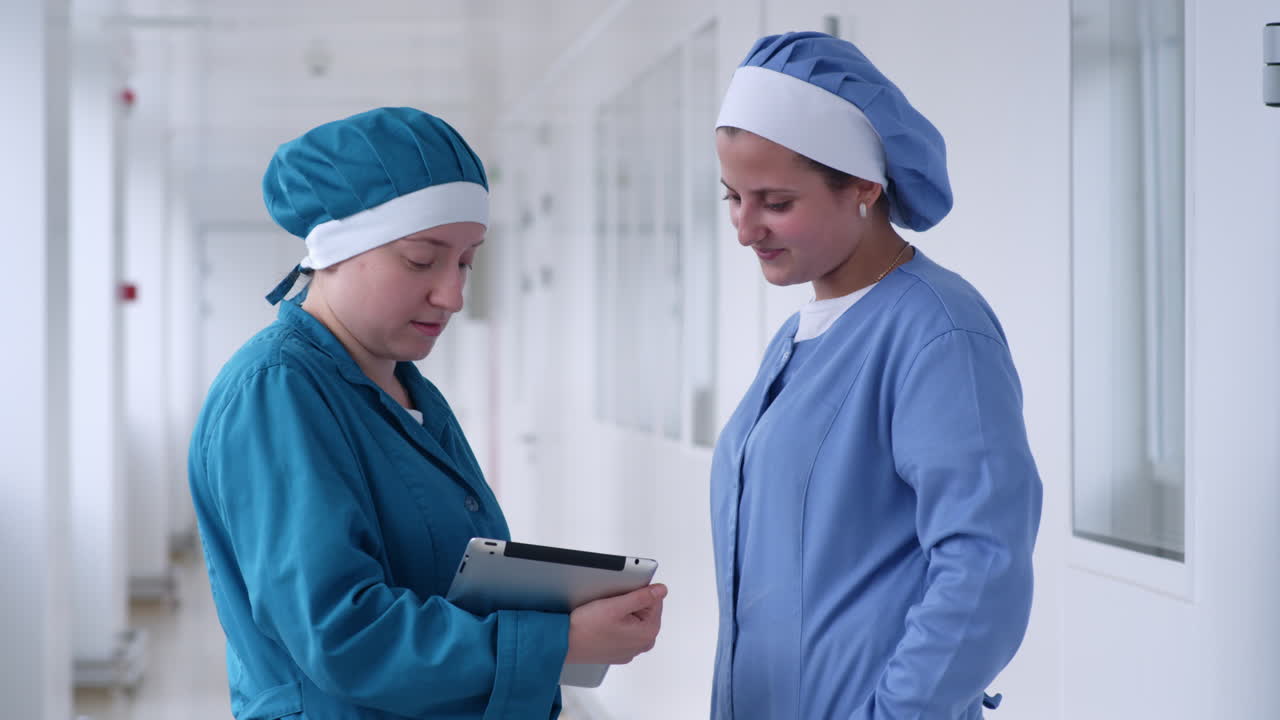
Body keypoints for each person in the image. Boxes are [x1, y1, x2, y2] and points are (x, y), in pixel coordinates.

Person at [188, 107, 666, 720]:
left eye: (466, 261)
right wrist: (560, 642)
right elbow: (341, 634)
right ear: (336, 249)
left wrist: (566, 613)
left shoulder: (402, 386)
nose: (453, 295)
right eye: (421, 259)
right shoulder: (278, 391)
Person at [709, 32, 1042, 719]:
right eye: (731, 197)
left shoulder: (939, 332)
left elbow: (983, 566)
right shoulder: (796, 338)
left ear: (863, 186)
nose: (745, 228)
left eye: (774, 202)